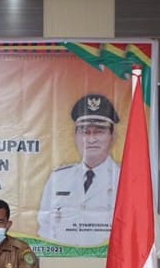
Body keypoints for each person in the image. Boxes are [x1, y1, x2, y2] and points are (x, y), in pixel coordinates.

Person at [37, 94, 121, 246]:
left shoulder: (125, 179)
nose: (91, 139)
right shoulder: (58, 178)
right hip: (64, 258)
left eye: (99, 131)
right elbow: (45, 226)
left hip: (107, 258)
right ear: (75, 136)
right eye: (84, 131)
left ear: (112, 136)